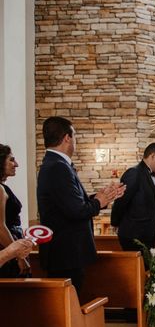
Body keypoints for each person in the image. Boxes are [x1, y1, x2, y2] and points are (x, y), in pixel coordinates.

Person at [37, 116, 125, 292]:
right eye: (74, 136)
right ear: (67, 138)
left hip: (64, 251)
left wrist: (100, 198)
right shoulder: (58, 167)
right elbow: (76, 210)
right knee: (70, 302)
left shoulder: (55, 164)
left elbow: (69, 202)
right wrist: (99, 202)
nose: (75, 141)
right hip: (66, 252)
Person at [110, 142, 155, 253]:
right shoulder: (134, 173)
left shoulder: (154, 176)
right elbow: (121, 200)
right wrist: (115, 222)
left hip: (148, 234)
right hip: (134, 234)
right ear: (152, 156)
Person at [0, 145, 29, 277]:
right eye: (11, 160)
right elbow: (0, 227)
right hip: (6, 249)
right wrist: (19, 257)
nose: (16, 164)